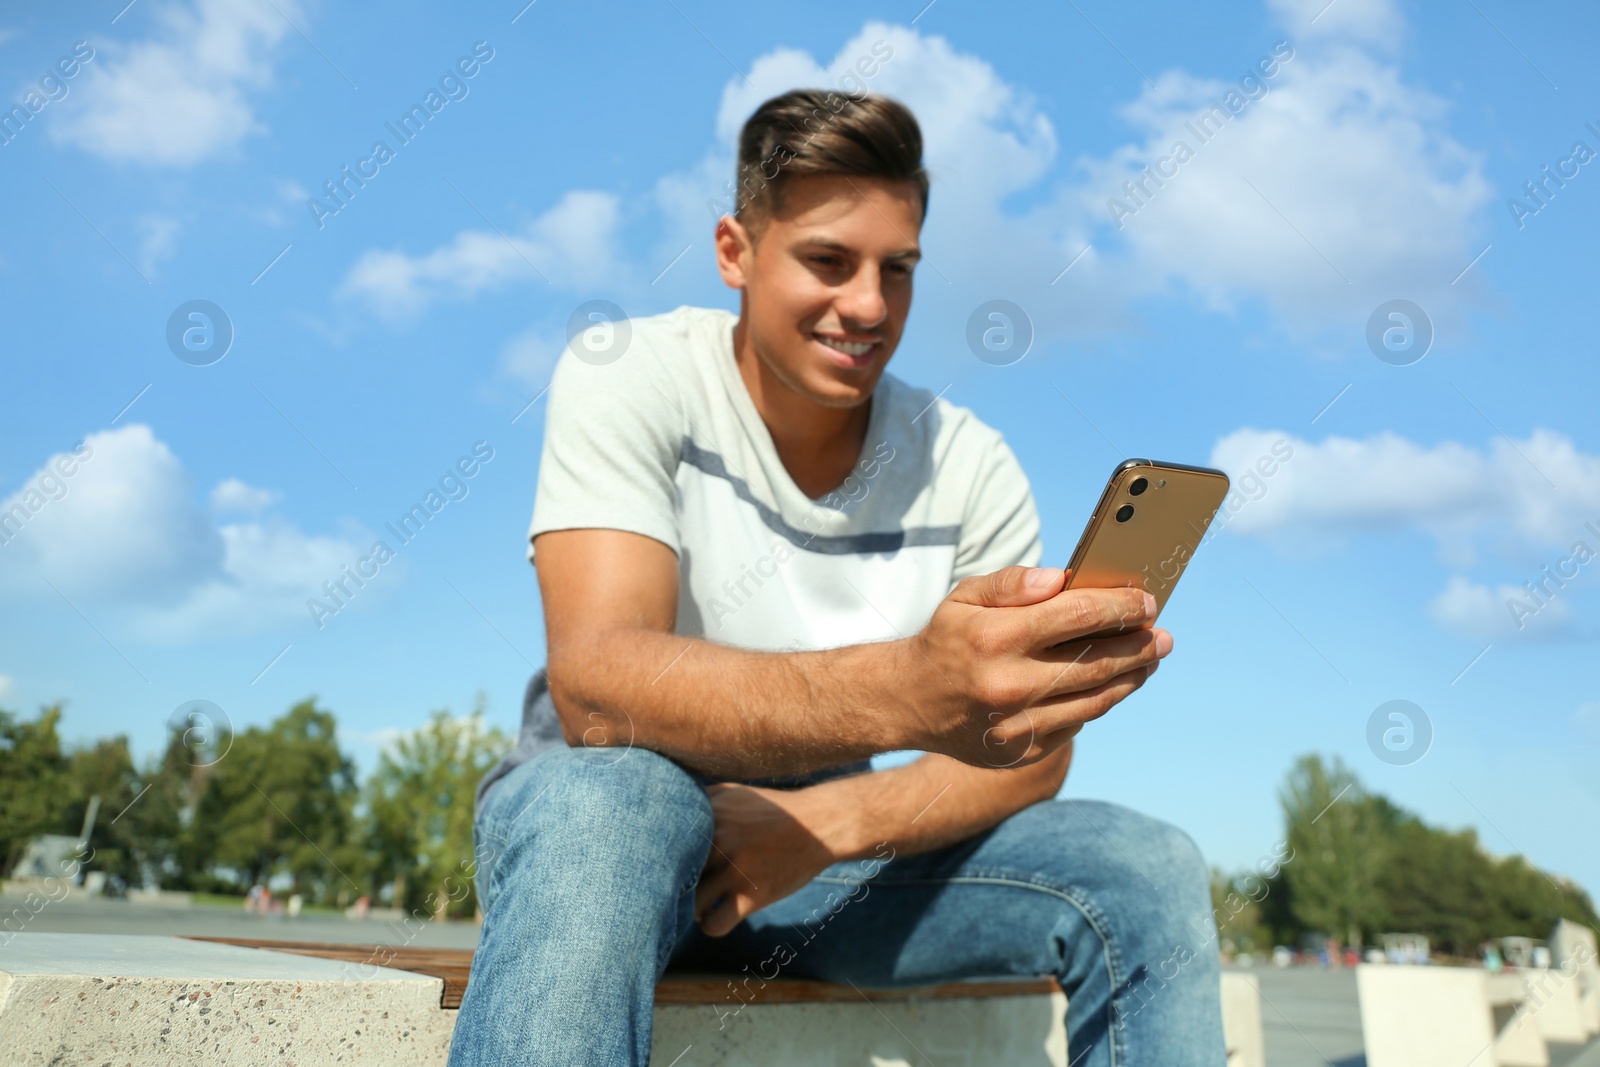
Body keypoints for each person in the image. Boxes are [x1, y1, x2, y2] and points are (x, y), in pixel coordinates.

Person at [448, 88, 1224, 1066]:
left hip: (818, 866)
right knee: (616, 802)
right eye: (827, 260)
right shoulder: (633, 371)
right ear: (734, 250)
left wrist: (821, 822)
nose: (867, 305)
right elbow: (599, 687)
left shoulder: (969, 461)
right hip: (598, 841)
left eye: (896, 270)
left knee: (1145, 865)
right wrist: (911, 687)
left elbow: (1031, 753)